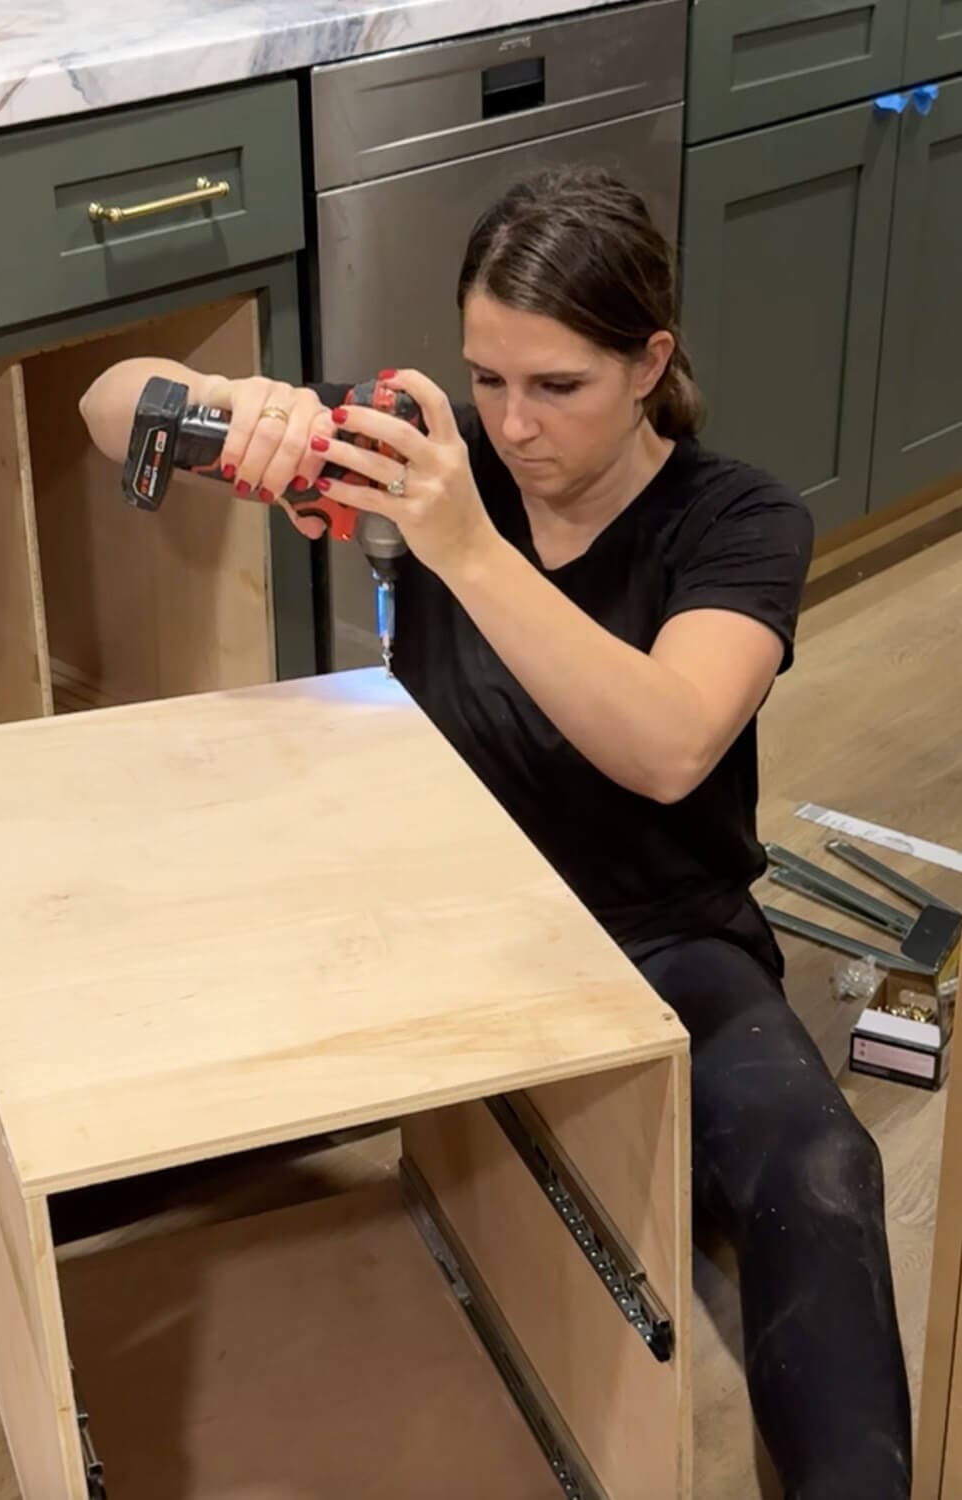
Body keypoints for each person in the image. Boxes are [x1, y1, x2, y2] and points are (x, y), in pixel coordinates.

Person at [79, 165, 912, 1498]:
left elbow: (666, 744)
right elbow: (105, 403)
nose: (514, 426)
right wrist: (250, 411)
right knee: (103, 1119)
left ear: (650, 363)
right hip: (447, 923)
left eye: (558, 388)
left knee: (819, 1169)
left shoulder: (739, 519)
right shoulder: (434, 451)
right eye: (491, 379)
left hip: (662, 939)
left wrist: (465, 544)